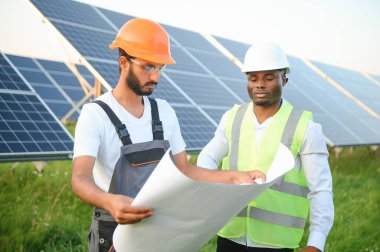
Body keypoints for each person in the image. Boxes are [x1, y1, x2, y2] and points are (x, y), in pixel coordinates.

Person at [71, 18, 265, 251]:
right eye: (148, 67)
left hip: (160, 229)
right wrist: (110, 201)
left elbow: (185, 169)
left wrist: (234, 177)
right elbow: (80, 179)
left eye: (160, 68)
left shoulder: (163, 111)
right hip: (114, 232)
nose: (156, 77)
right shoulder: (96, 114)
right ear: (124, 62)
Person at [197, 41, 334, 252]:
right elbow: (206, 158)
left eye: (269, 78)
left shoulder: (305, 127)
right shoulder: (231, 118)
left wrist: (316, 244)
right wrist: (220, 182)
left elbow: (321, 189)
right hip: (229, 236)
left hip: (276, 244)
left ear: (284, 79)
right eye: (253, 78)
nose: (260, 84)